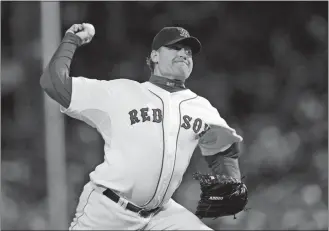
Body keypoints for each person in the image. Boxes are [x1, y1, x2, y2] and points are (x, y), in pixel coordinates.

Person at [40, 23, 243, 230]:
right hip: (108, 210)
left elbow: (223, 149)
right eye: (175, 48)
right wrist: (71, 40)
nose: (184, 53)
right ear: (154, 56)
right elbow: (54, 83)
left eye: (189, 51)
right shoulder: (121, 92)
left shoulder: (201, 107)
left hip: (161, 215)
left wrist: (230, 182)